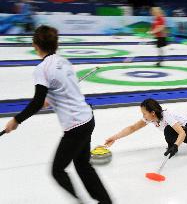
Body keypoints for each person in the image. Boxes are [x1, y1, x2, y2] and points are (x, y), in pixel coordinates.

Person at [4, 25, 112, 204]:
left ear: (35, 45)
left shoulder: (42, 69)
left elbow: (38, 101)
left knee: (57, 170)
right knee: (83, 165)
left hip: (76, 126)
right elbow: (64, 88)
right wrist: (51, 99)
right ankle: (105, 201)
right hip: (87, 118)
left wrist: (16, 120)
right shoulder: (64, 61)